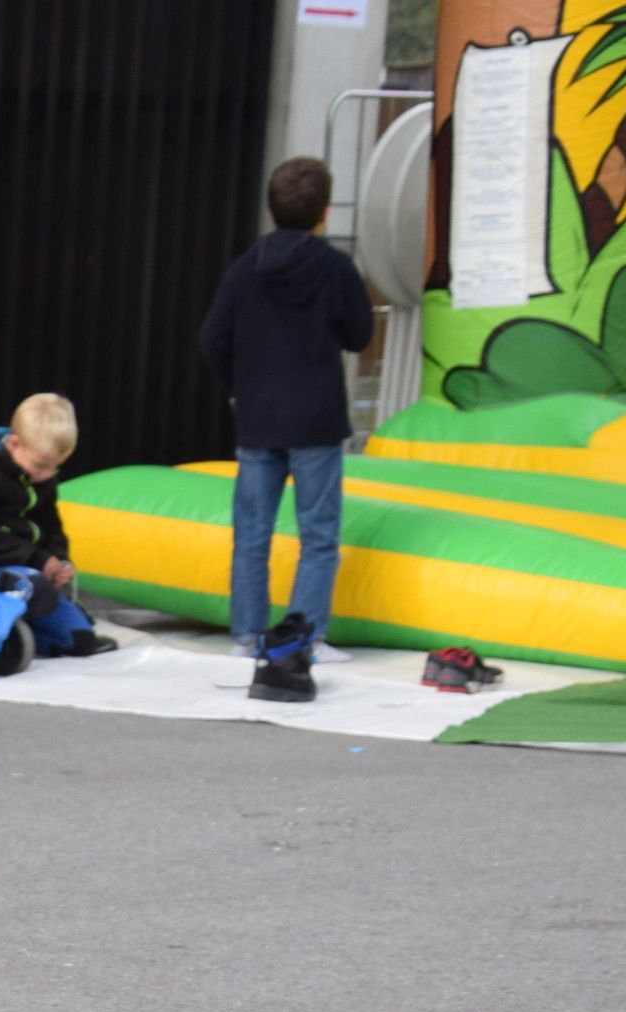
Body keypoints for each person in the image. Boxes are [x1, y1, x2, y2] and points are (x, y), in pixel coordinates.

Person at [200, 155, 373, 681]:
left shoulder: (244, 268)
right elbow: (360, 335)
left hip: (258, 420)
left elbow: (212, 339)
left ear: (271, 210)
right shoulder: (335, 268)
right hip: (316, 419)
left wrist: (239, 388)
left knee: (252, 533)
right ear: (325, 212)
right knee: (318, 535)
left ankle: (246, 636)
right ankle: (306, 637)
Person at [0, 392, 118, 658]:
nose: (46, 475)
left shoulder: (41, 479)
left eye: (55, 468)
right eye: (40, 465)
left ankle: (27, 635)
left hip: (29, 572)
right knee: (38, 590)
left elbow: (52, 527)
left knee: (80, 638)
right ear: (14, 443)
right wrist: (37, 558)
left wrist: (59, 559)